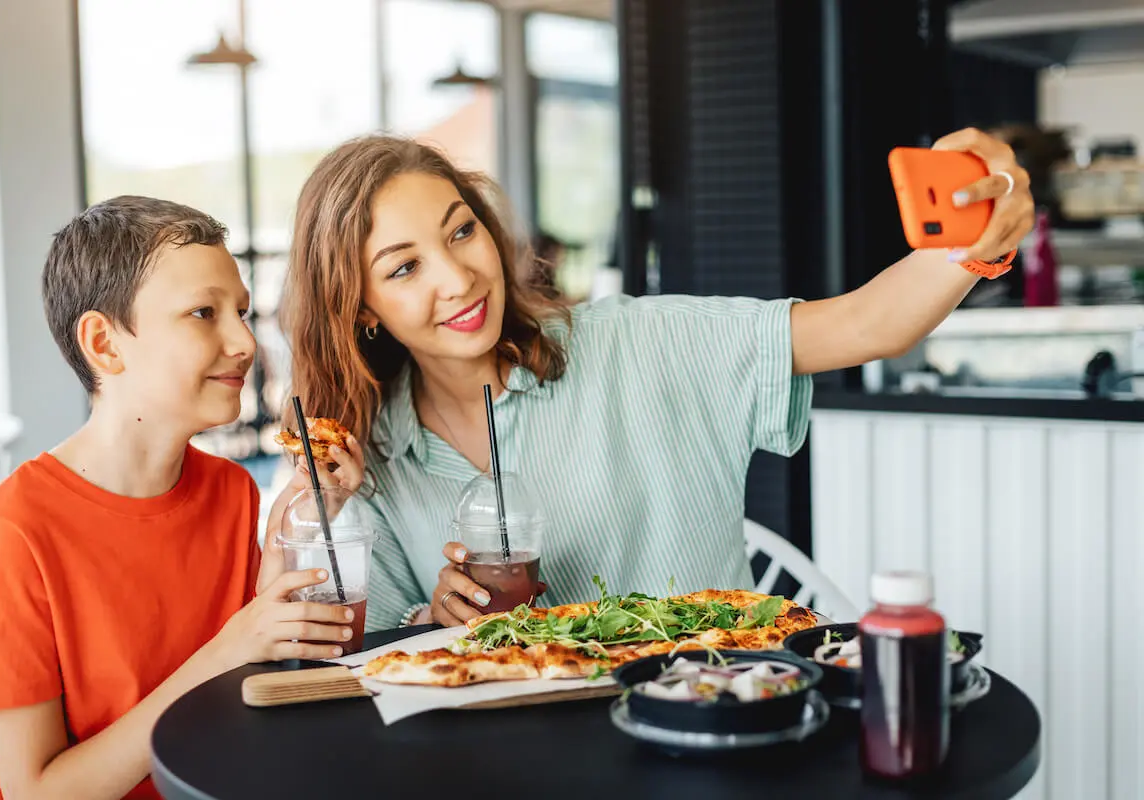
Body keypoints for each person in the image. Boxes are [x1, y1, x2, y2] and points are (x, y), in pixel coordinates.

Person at [271, 128, 1034, 631]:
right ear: (362, 307)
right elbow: (355, 660)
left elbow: (868, 325)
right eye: (404, 268)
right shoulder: (365, 458)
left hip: (721, 725)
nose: (460, 278)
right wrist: (432, 617)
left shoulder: (639, 342)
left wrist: (973, 244)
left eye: (461, 230)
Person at [0, 197, 359, 800]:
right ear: (105, 345)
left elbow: (249, 688)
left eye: (242, 311)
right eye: (202, 313)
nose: (244, 341)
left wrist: (290, 540)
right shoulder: (16, 530)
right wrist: (230, 647)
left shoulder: (232, 491)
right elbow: (38, 793)